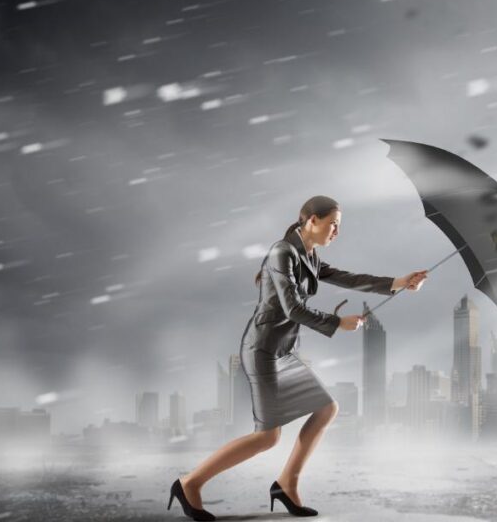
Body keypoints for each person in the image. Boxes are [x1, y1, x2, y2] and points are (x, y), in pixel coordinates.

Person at [168, 195, 427, 520]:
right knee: (267, 437)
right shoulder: (282, 252)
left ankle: (286, 483)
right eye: (333, 224)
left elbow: (348, 278)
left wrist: (398, 283)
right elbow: (293, 308)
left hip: (282, 351)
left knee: (326, 408)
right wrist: (337, 323)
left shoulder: (310, 256)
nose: (336, 232)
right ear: (312, 221)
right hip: (262, 350)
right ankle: (189, 483)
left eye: (339, 226)